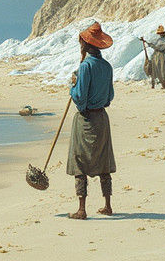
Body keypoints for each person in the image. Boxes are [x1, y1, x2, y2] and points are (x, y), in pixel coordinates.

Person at [67, 21, 116, 220]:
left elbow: (80, 98)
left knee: (80, 162)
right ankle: (107, 205)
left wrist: (72, 85)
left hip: (87, 119)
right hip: (102, 118)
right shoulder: (107, 66)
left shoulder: (86, 66)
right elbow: (109, 96)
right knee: (103, 161)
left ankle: (81, 209)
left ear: (87, 45)